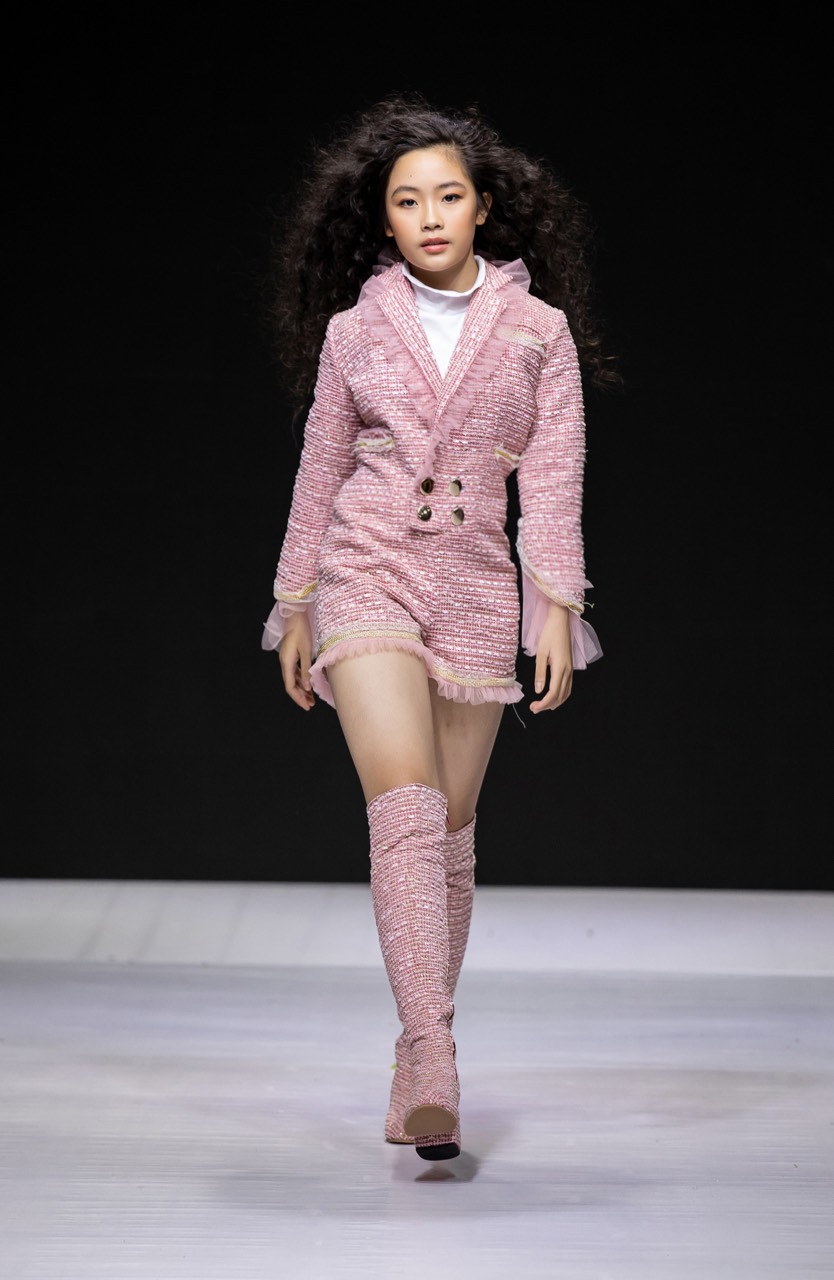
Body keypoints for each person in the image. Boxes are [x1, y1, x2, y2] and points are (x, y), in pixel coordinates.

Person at [261, 93, 621, 1162]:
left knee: (452, 836)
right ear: (382, 218)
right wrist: (294, 601)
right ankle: (431, 1051)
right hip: (366, 565)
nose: (429, 216)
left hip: (473, 582)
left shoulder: (539, 332)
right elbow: (320, 467)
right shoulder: (354, 331)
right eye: (407, 200)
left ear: (483, 207)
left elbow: (553, 477)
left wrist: (557, 604)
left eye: (447, 196)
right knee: (408, 809)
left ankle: (421, 1042)